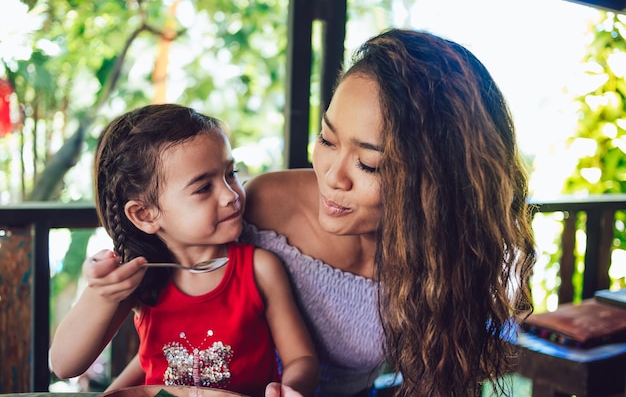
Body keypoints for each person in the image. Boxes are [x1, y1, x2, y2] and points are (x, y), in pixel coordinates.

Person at [81, 28, 537, 397]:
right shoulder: (261, 205)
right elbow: (189, 331)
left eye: (369, 163)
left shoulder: (442, 260)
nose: (332, 176)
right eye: (327, 139)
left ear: (434, 183)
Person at [49, 104, 319, 397]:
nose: (231, 195)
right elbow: (64, 365)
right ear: (145, 214)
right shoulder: (141, 278)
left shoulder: (259, 269)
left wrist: (290, 388)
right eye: (204, 188)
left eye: (231, 173)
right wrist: (100, 294)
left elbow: (301, 358)